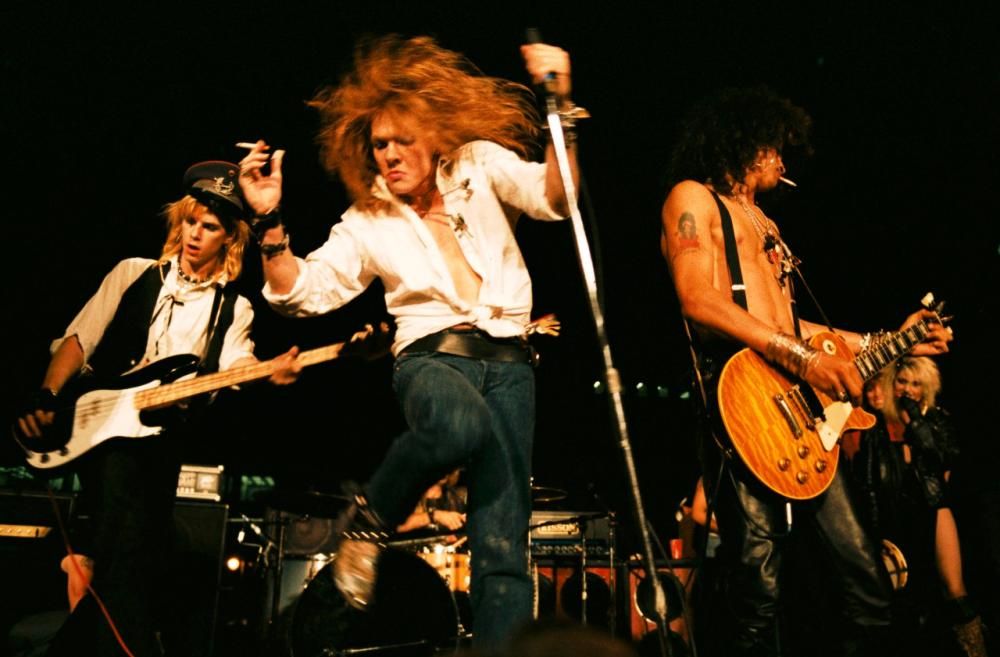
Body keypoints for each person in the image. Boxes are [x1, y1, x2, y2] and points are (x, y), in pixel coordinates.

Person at [237, 34, 580, 649]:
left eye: (403, 140)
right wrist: (268, 221)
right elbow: (302, 291)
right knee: (456, 425)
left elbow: (556, 198)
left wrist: (559, 110)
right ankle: (369, 523)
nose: (390, 155)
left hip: (511, 362)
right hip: (431, 357)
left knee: (503, 546)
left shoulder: (477, 164)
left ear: (435, 135)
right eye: (379, 145)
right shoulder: (366, 218)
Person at [659, 86, 953, 656]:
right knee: (758, 584)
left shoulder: (767, 224)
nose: (782, 159)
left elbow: (797, 329)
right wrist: (801, 358)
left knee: (866, 585)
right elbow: (696, 298)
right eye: (774, 145)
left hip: (801, 414)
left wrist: (895, 341)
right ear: (744, 140)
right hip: (741, 400)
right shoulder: (692, 198)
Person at [14, 161, 301, 657]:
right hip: (102, 431)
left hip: (163, 443)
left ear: (229, 239)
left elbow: (237, 362)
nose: (195, 234)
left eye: (209, 227)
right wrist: (47, 396)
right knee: (126, 554)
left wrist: (265, 371)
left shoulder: (235, 308)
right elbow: (79, 340)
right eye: (190, 221)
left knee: (134, 559)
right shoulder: (133, 273)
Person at [848, 359, 987, 657]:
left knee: (954, 589)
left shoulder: (935, 420)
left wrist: (918, 424)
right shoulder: (876, 426)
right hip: (895, 515)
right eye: (902, 382)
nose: (908, 389)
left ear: (926, 388)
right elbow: (869, 483)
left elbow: (943, 466)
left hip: (932, 507)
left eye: (915, 384)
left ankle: (976, 650)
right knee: (902, 599)